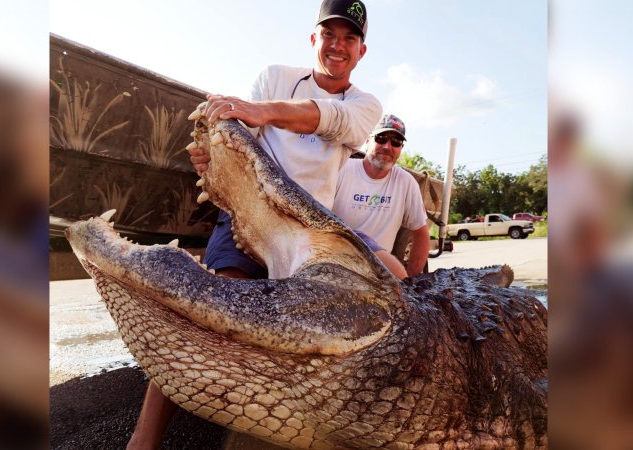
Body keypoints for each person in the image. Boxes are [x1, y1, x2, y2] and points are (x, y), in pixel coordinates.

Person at [129, 1, 385, 448]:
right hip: (251, 208)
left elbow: (334, 120)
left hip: (311, 227)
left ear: (362, 50)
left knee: (379, 291)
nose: (337, 45)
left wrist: (261, 111)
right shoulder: (275, 75)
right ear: (314, 39)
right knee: (209, 300)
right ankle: (143, 439)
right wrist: (212, 155)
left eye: (349, 38)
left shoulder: (365, 105)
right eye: (329, 34)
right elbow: (240, 143)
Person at [332, 114, 430, 277]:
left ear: (401, 148)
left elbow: (421, 234)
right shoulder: (341, 170)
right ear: (367, 140)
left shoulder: (405, 182)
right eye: (381, 138)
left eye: (396, 142)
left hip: (379, 275)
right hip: (335, 264)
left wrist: (413, 285)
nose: (387, 146)